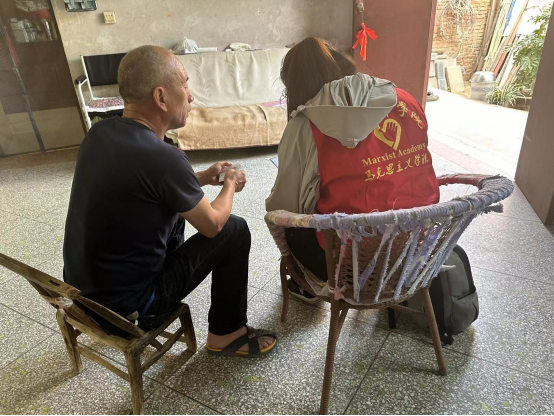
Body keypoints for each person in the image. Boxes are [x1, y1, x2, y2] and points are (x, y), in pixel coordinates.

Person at [64, 45, 276, 357]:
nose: (191, 97)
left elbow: (145, 184)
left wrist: (201, 177)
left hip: (83, 297)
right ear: (161, 97)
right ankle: (227, 333)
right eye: (185, 85)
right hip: (131, 310)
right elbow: (213, 225)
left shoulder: (99, 134)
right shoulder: (164, 157)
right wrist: (230, 183)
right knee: (234, 229)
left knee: (176, 211)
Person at [266, 37, 440, 302]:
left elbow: (285, 207)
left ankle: (307, 287)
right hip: (416, 253)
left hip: (349, 267)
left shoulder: (307, 124)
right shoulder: (404, 99)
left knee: (288, 223)